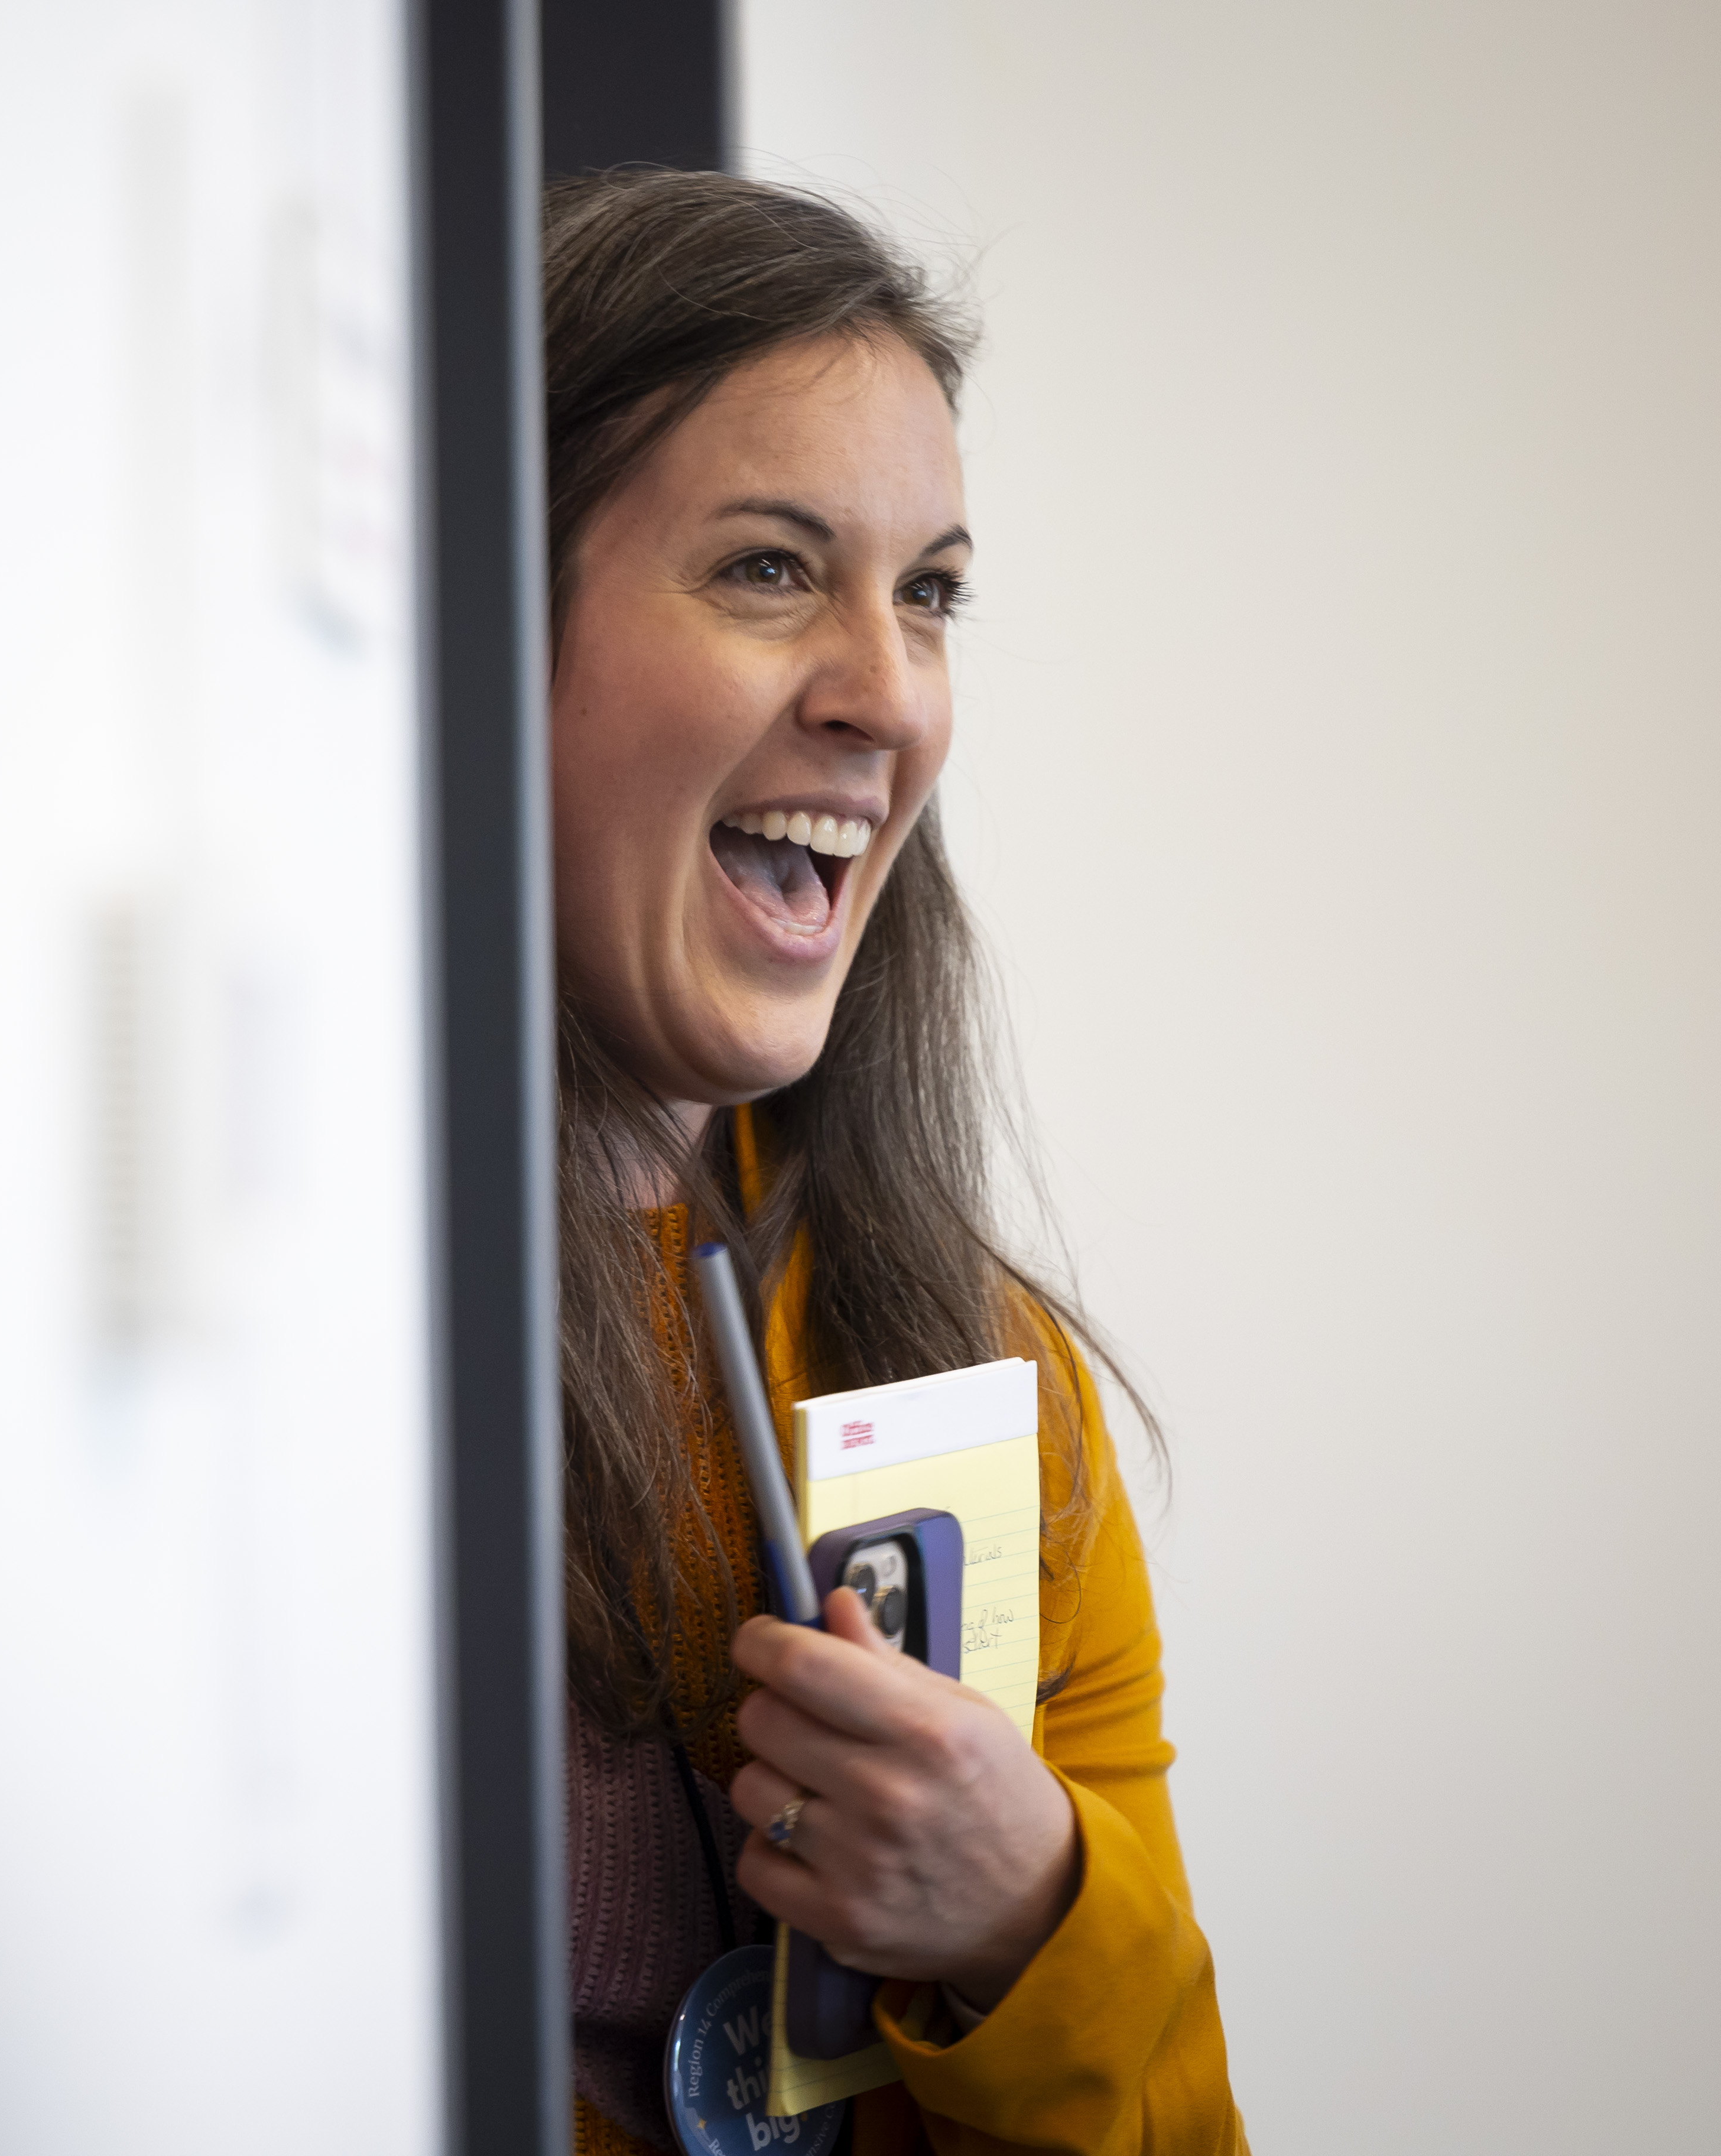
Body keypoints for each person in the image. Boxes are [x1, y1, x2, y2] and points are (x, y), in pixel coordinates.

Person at [544, 171, 1246, 2155]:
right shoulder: (271, 1384)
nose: (890, 694)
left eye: (928, 591)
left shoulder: (995, 1403)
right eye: (773, 569)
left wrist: (1034, 1920)